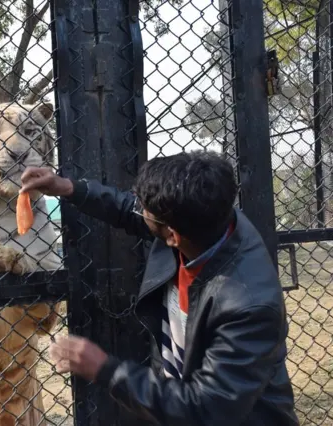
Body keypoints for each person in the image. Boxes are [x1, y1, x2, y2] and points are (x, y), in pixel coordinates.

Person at [19, 150, 298, 426]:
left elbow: (206, 409)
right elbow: (129, 210)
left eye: (145, 209)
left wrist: (105, 369)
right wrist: (68, 188)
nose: (138, 209)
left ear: (172, 236)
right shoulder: (207, 220)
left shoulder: (248, 305)